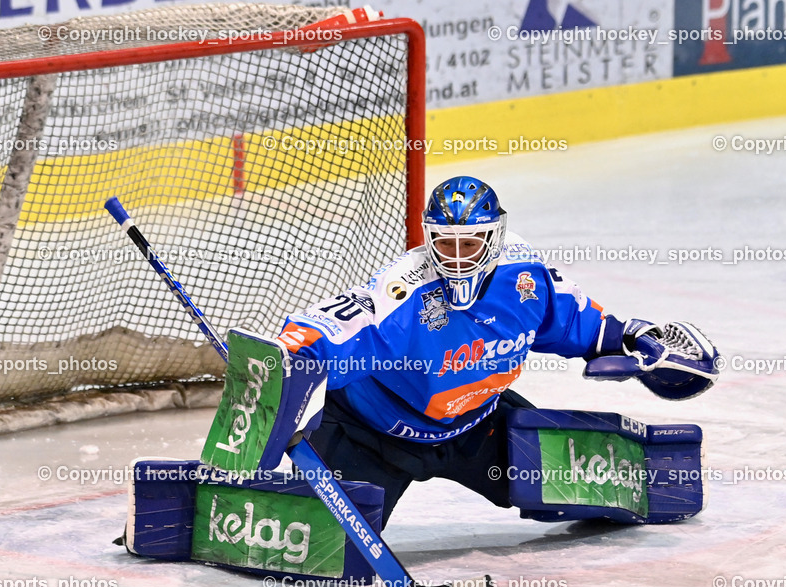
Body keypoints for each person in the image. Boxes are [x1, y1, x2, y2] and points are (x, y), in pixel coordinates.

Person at [276, 176, 718, 527]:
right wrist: (290, 355)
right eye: (444, 244)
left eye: (469, 244)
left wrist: (634, 338)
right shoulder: (403, 290)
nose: (456, 258)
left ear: (494, 237)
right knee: (322, 546)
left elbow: (581, 326)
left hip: (478, 427)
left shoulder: (524, 279)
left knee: (586, 495)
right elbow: (334, 326)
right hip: (369, 432)